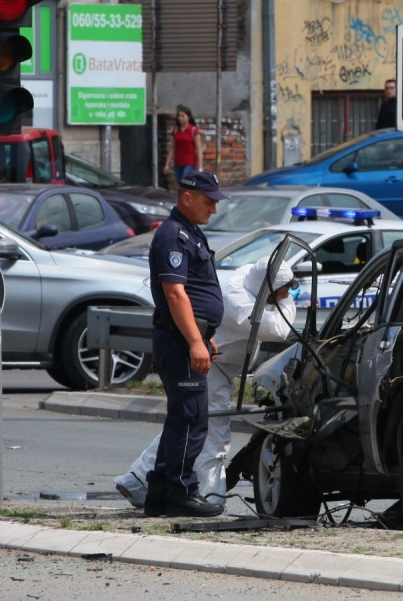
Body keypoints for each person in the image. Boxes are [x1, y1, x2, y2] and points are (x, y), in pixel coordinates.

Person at [114, 258, 298, 511]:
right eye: (281, 293)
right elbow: (276, 330)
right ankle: (212, 497)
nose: (285, 296)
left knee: (188, 425)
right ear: (267, 289)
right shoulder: (237, 300)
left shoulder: (252, 278)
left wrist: (281, 295)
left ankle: (136, 480)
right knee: (214, 432)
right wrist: (288, 302)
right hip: (208, 365)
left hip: (214, 365)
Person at [145, 170, 227, 517]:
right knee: (192, 419)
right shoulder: (173, 236)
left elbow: (192, 294)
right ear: (186, 197)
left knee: (181, 418)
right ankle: (182, 492)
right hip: (179, 341)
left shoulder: (189, 233)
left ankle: (161, 494)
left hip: (187, 338)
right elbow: (176, 294)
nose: (213, 208)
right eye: (208, 201)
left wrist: (204, 336)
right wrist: (195, 340)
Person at [163, 104, 204, 183]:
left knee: (185, 181)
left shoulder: (193, 131)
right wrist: (167, 164)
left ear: (188, 117)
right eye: (179, 116)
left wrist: (200, 167)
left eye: (183, 116)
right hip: (178, 162)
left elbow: (199, 149)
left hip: (190, 162)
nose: (180, 118)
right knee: (181, 184)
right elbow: (172, 149)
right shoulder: (175, 131)